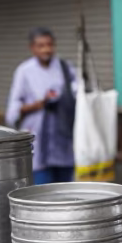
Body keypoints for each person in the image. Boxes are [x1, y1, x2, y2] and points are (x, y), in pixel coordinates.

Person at [6, 27, 77, 184]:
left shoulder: (66, 68)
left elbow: (78, 94)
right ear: (32, 48)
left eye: (49, 45)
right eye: (41, 45)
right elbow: (12, 110)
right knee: (43, 192)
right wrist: (36, 105)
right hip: (38, 140)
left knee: (66, 190)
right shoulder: (24, 71)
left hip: (64, 140)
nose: (46, 49)